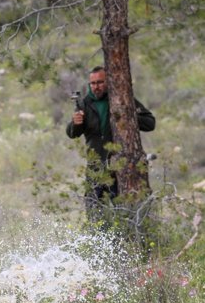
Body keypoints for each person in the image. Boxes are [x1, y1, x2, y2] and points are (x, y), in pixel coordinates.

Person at [66, 66, 155, 218]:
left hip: (120, 168)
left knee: (123, 213)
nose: (96, 87)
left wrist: (128, 116)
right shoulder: (84, 104)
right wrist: (76, 123)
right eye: (93, 83)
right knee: (94, 213)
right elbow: (72, 133)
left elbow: (150, 123)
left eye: (100, 82)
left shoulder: (122, 99)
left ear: (109, 82)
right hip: (95, 168)